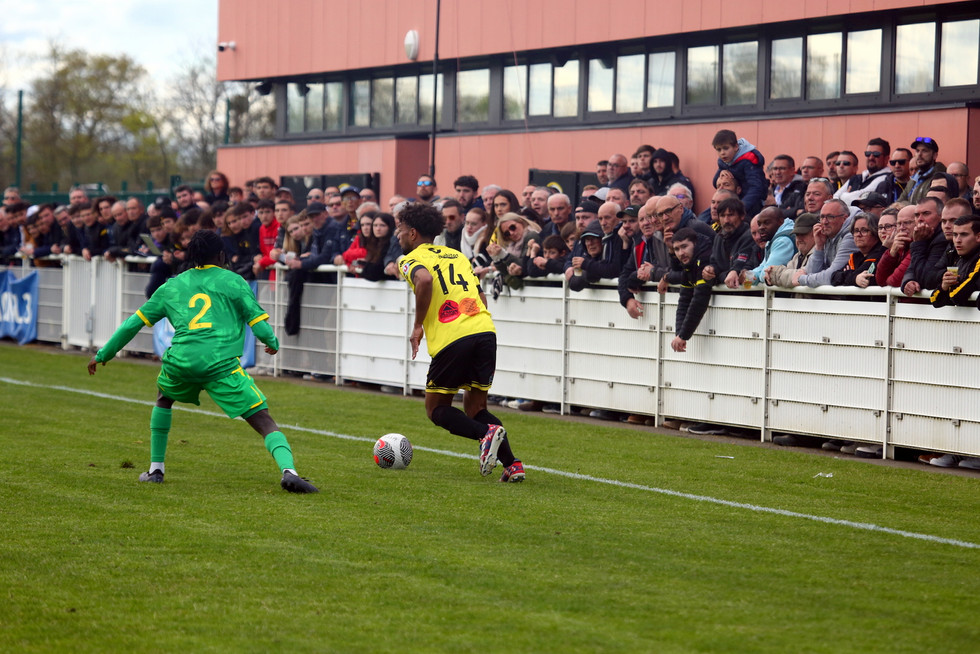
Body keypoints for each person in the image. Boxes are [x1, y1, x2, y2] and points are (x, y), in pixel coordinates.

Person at [87, 230, 318, 493]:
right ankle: (289, 471)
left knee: (164, 399)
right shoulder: (233, 281)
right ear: (221, 255)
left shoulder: (173, 285)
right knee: (262, 419)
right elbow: (258, 323)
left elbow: (133, 323)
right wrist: (272, 342)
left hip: (181, 362)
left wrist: (103, 354)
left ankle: (155, 470)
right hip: (219, 364)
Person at [396, 202, 525, 482]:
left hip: (453, 337)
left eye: (400, 229)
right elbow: (481, 297)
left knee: (436, 409)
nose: (398, 234)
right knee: (476, 408)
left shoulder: (408, 259)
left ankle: (485, 434)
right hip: (484, 330)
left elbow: (424, 280)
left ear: (413, 233)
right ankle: (512, 465)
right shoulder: (456, 255)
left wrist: (418, 325)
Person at [711, 128, 767, 218]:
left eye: (726, 148)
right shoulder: (724, 161)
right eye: (719, 150)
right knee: (705, 216)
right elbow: (715, 183)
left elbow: (756, 187)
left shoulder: (748, 160)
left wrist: (740, 207)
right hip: (734, 199)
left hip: (752, 201)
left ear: (736, 147)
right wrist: (721, 172)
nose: (722, 153)